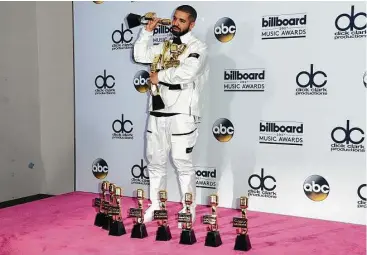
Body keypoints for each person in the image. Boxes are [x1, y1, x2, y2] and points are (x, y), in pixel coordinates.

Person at [133, 5, 209, 225]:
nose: (176, 23)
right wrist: (147, 32)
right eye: (175, 19)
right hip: (157, 111)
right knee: (155, 161)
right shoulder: (163, 46)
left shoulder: (198, 47)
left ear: (191, 24)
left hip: (182, 113)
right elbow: (139, 55)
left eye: (182, 21)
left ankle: (188, 208)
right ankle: (157, 205)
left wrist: (160, 76)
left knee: (182, 161)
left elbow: (187, 72)